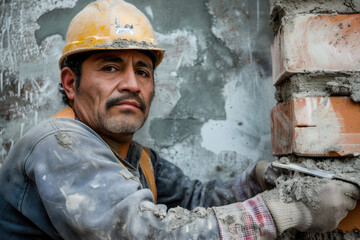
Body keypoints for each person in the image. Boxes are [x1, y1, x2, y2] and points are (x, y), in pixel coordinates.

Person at [0, 0, 358, 239]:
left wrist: (260, 179)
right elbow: (143, 233)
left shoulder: (137, 157)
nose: (131, 84)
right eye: (110, 67)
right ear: (70, 83)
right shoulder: (59, 143)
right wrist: (284, 209)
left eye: (143, 71)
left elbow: (194, 198)